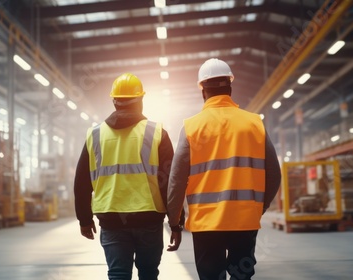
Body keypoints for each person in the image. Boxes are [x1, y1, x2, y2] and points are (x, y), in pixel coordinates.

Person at [166, 58, 282, 280]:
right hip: (245, 219)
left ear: (203, 91)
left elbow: (176, 181)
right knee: (241, 276)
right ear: (230, 86)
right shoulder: (254, 123)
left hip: (206, 224)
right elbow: (274, 173)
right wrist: (259, 206)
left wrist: (175, 222)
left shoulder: (191, 127)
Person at [74, 73, 178, 280]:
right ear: (140, 100)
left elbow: (81, 183)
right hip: (148, 217)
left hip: (111, 219)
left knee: (118, 274)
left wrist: (84, 220)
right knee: (148, 273)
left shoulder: (95, 135)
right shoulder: (156, 132)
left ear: (114, 100)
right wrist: (176, 222)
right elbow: (170, 182)